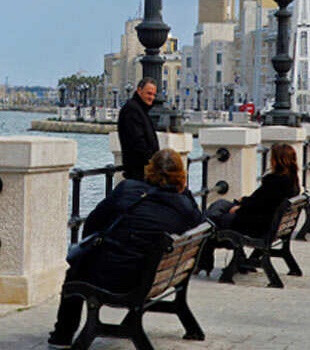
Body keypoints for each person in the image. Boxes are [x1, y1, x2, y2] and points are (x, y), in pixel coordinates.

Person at [48, 148, 202, 348]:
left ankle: (62, 336)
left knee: (76, 270)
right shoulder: (184, 207)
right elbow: (200, 222)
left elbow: (92, 225)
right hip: (151, 278)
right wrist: (184, 190)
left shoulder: (127, 189)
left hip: (114, 278)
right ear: (182, 176)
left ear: (149, 171)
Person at [207, 142, 300, 235]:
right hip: (270, 223)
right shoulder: (292, 180)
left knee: (213, 216)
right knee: (220, 204)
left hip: (254, 224)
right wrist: (243, 201)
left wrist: (239, 208)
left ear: (276, 161)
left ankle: (199, 237)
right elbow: (261, 200)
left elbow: (258, 205)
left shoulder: (274, 181)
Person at [117, 77, 159, 182]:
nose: (152, 98)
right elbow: (137, 142)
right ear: (139, 90)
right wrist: (153, 164)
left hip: (144, 171)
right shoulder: (132, 110)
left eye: (154, 95)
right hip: (139, 173)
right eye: (149, 93)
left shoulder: (140, 110)